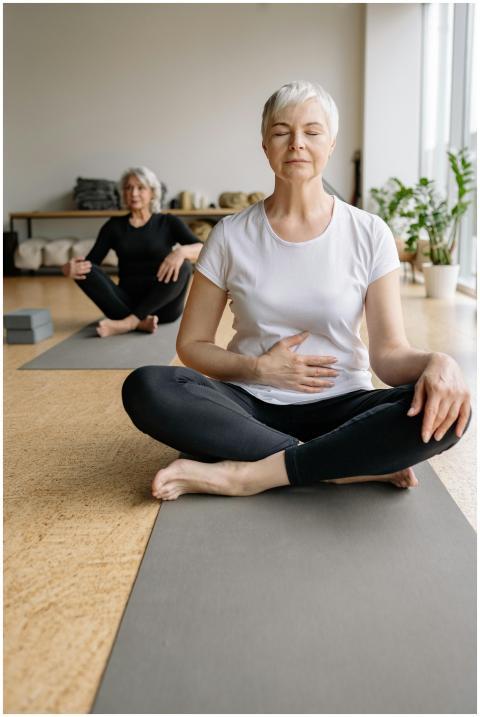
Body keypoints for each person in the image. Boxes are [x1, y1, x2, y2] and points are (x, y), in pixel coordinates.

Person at [121, 81, 471, 500]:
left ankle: (248, 475)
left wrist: (438, 361)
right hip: (249, 405)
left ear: (331, 142)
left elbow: (388, 355)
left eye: (312, 131)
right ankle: (338, 466)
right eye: (282, 132)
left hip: (344, 403)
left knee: (449, 410)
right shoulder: (230, 235)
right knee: (147, 387)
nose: (297, 144)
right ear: (266, 144)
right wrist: (258, 370)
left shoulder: (369, 232)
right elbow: (192, 345)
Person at [62, 166, 204, 337]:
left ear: (152, 192)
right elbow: (92, 264)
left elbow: (203, 248)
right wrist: (68, 269)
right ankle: (139, 322)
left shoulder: (168, 222)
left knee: (185, 266)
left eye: (140, 187)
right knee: (84, 269)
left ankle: (128, 323)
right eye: (128, 188)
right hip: (125, 304)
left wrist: (180, 252)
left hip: (163, 307)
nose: (134, 193)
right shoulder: (113, 226)